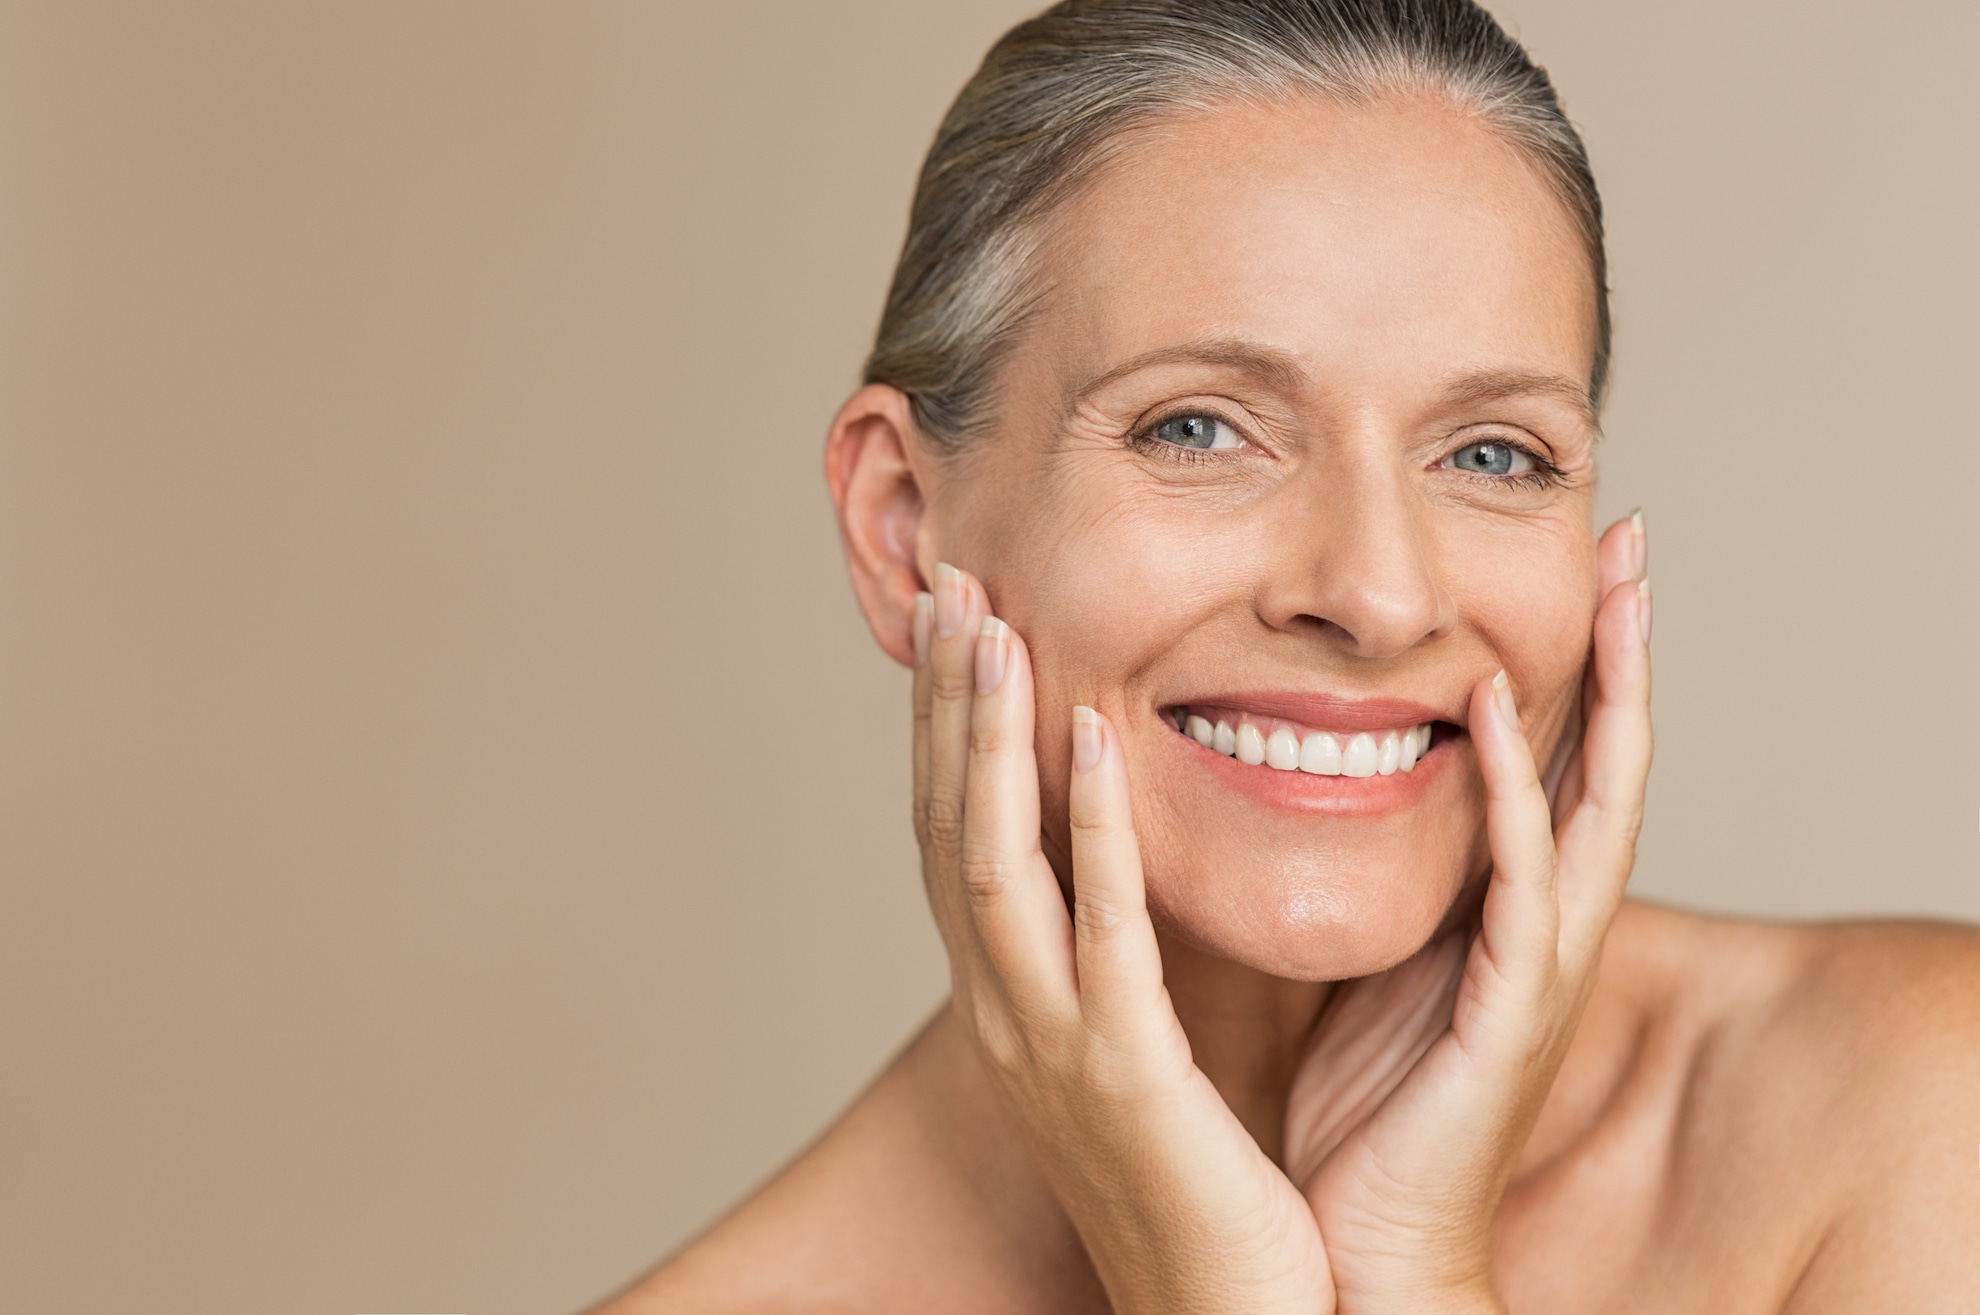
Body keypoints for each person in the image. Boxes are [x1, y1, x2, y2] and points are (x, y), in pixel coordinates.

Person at [607, 2, 1980, 1309]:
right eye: (1199, 429)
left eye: (1493, 453)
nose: (1378, 594)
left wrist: (1419, 1276)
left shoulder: (1917, 1124)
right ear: (905, 531)